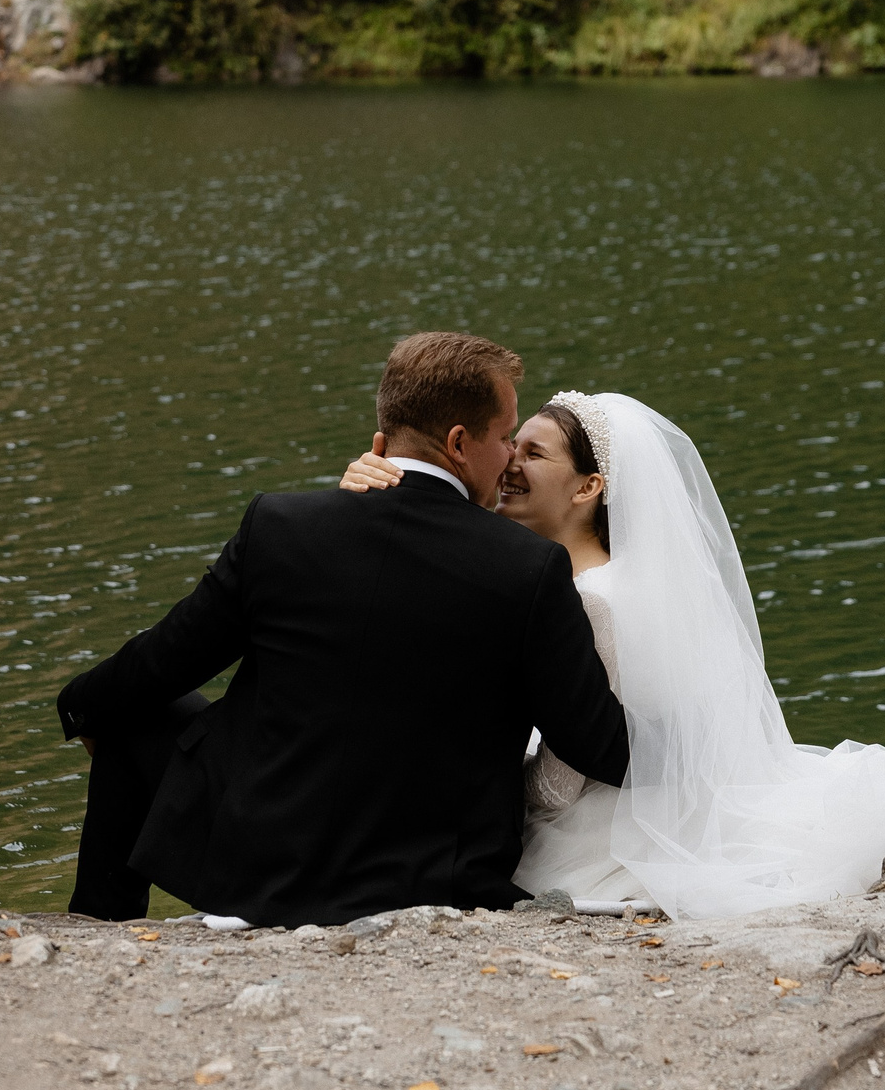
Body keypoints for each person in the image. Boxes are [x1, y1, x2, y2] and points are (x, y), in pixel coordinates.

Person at [341, 390, 885, 921]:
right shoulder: (574, 578)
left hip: (601, 823)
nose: (509, 462)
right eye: (510, 446)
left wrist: (487, 795)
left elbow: (563, 781)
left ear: (588, 490)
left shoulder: (593, 600)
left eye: (536, 455)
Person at [56, 332, 629, 926]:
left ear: (384, 437)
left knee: (124, 702)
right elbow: (598, 745)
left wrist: (79, 708)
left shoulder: (280, 526)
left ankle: (100, 925)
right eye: (505, 435)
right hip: (438, 878)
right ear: (459, 444)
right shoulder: (527, 568)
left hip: (263, 874)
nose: (510, 455)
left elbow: (165, 660)